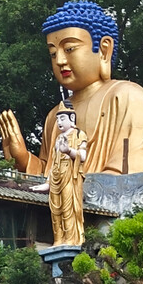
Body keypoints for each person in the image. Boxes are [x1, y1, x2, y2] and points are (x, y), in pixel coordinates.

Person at [0, 0, 143, 176]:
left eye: (69, 49)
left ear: (104, 50)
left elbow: (141, 172)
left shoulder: (128, 97)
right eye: (53, 54)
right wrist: (24, 160)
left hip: (105, 194)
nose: (59, 60)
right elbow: (49, 175)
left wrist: (82, 186)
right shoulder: (55, 116)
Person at [31, 99, 87, 246]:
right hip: (56, 176)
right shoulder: (58, 138)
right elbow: (53, 162)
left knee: (68, 208)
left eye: (62, 118)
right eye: (57, 119)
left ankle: (70, 239)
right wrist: (47, 183)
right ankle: (58, 239)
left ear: (72, 118)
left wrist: (68, 151)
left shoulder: (79, 134)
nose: (59, 122)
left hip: (70, 175)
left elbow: (83, 156)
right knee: (56, 210)